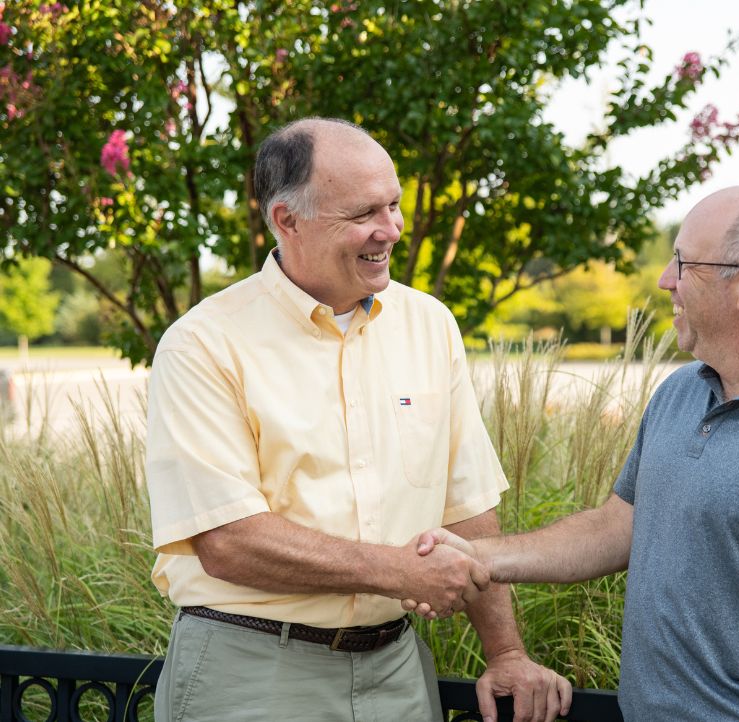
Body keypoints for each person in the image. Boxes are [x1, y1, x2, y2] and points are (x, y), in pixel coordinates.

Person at [409, 184, 739, 721]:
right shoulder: (681, 393)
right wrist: (478, 556)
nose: (665, 280)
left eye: (684, 262)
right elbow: (618, 528)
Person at [145, 117, 571, 722]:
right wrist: (399, 571)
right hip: (251, 676)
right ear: (286, 220)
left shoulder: (430, 324)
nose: (391, 229)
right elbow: (228, 541)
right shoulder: (203, 344)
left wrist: (506, 652)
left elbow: (467, 507)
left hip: (397, 671)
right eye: (363, 213)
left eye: (395, 205)